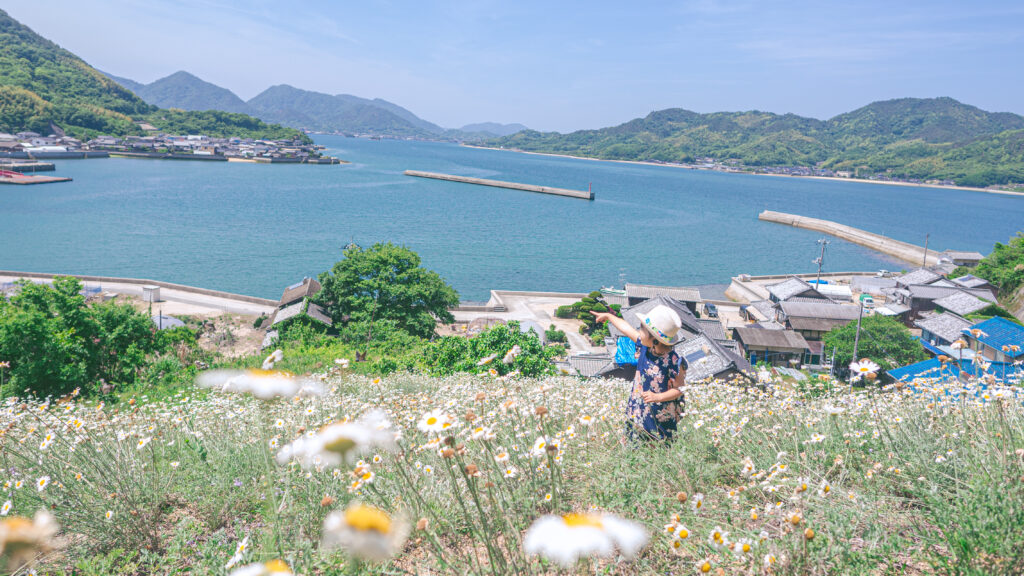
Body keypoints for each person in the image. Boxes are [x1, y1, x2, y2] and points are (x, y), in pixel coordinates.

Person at [591, 304, 687, 441]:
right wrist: (608, 316)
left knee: (656, 451)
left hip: (659, 418)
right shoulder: (645, 347)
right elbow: (625, 328)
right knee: (632, 446)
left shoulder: (675, 361)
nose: (639, 330)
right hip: (636, 410)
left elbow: (679, 389)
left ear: (655, 339)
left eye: (642, 328)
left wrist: (657, 397)